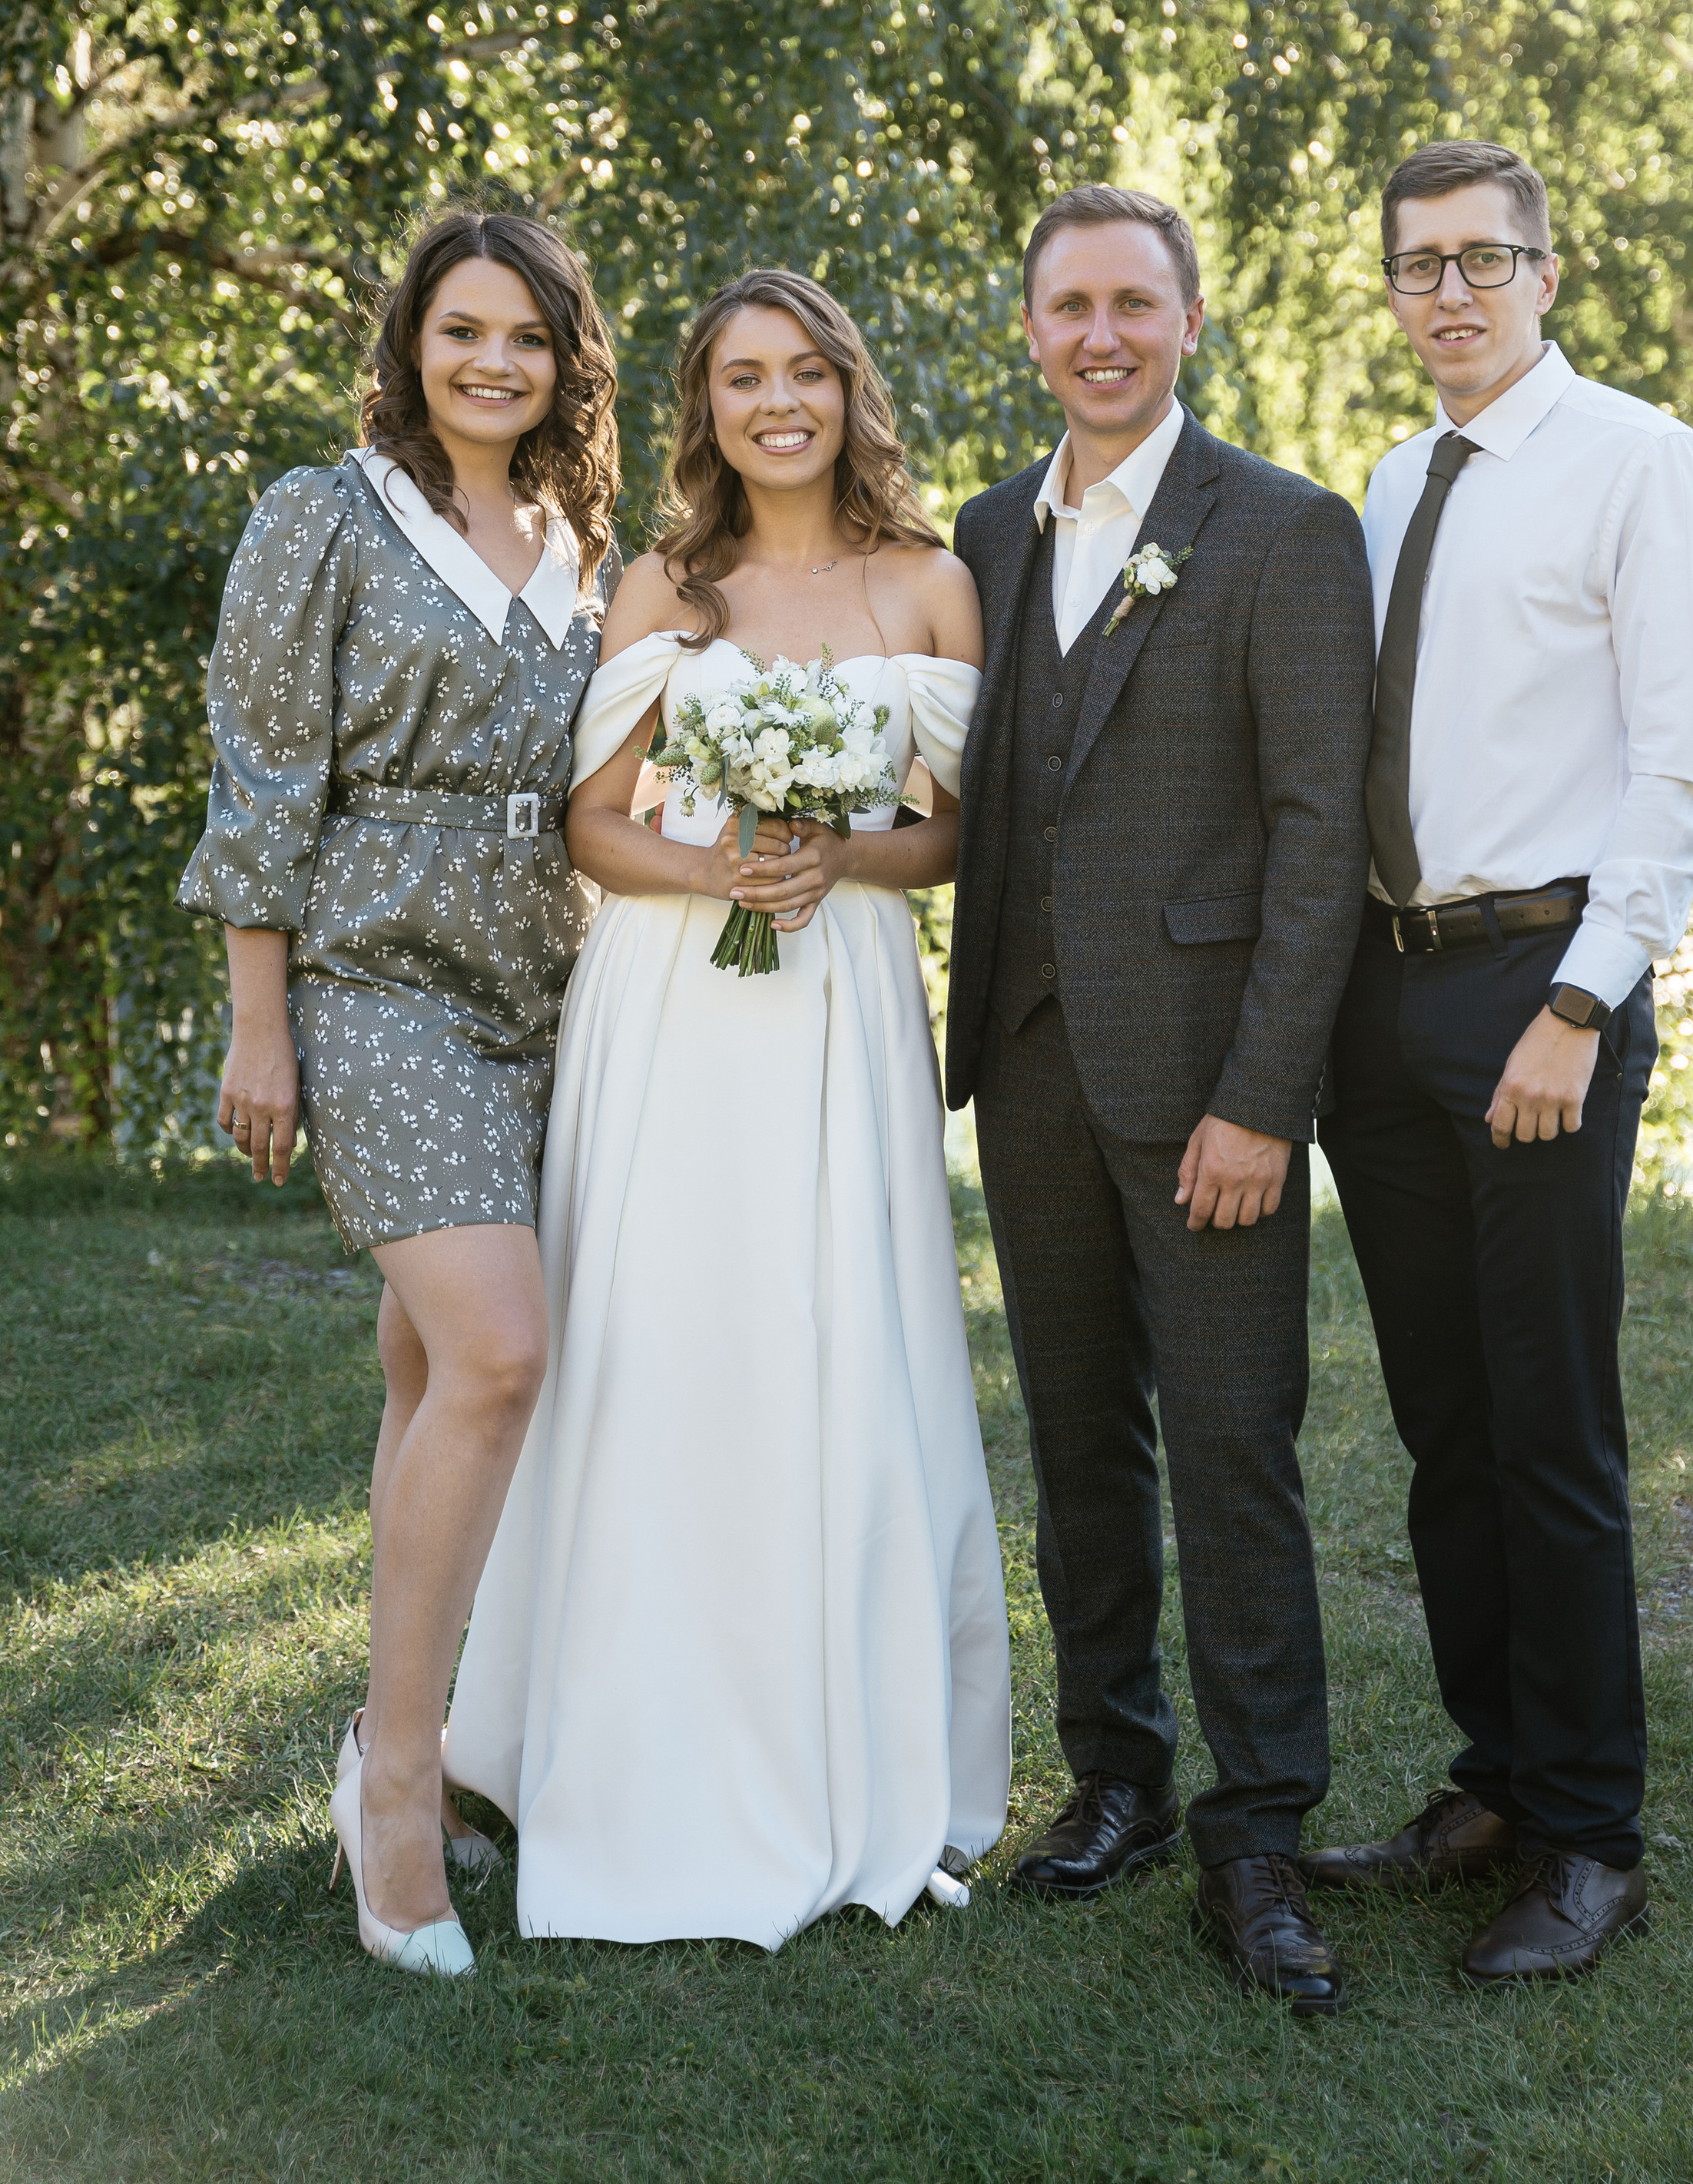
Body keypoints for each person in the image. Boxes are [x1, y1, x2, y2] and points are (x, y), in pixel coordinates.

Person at [444, 267, 1011, 1946]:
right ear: (706, 406)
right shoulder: (661, 584)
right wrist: (723, 863)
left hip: (837, 1003)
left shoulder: (930, 584)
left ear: (849, 389)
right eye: (743, 377)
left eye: (806, 373)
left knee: (834, 1337)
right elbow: (591, 823)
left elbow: (957, 836)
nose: (777, 402)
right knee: (664, 1338)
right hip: (670, 1006)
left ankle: (843, 1742)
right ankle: (618, 1731)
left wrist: (835, 854)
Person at [1307, 139, 1693, 1983]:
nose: (1449, 294)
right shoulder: (1392, 484)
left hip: (1533, 991)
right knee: (1442, 1424)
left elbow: (1677, 766)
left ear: (1546, 272)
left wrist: (1577, 1003)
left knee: (1547, 1427)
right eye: (1417, 267)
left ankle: (1587, 1838)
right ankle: (1490, 1780)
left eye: (1483, 260)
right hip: (1383, 999)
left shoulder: (1642, 464)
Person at [943, 184, 1376, 2017]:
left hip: (1208, 1082)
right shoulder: (985, 530)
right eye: (1067, 309)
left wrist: (1261, 1097)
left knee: (1229, 1443)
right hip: (1029, 1061)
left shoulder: (1279, 531)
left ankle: (1256, 1828)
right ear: (1030, 332)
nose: (1099, 336)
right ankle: (1113, 1771)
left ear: (1189, 319)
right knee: (1073, 1439)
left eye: (1133, 303)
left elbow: (1315, 837)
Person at [178, 204, 622, 1977]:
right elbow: (264, 772)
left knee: (434, 1369)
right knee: (502, 1351)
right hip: (370, 986)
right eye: (460, 335)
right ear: (410, 344)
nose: (491, 363)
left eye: (524, 336)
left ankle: (402, 1735)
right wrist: (258, 1018)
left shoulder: (584, 537)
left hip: (546, 986)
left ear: (560, 356)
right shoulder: (324, 515)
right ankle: (402, 1785)